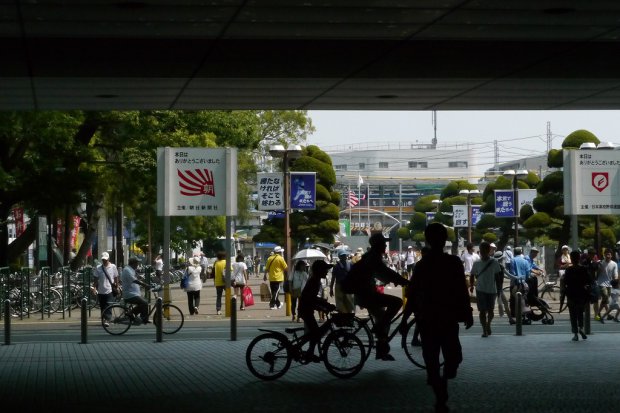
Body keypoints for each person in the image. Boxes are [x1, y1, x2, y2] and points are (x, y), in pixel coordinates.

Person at [402, 223, 473, 413]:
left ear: (427, 240)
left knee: (432, 359)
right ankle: (442, 388)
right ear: (444, 239)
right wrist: (467, 311)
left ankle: (439, 389)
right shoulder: (453, 263)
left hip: (429, 318)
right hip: (446, 316)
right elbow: (462, 290)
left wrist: (404, 319)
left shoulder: (422, 266)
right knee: (453, 355)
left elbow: (413, 294)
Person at [350, 232, 409, 361]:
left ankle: (381, 349)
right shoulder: (373, 258)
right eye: (383, 243)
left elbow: (383, 275)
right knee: (397, 302)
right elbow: (385, 273)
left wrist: (396, 280)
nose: (385, 246)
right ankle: (379, 328)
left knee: (382, 317)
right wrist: (404, 281)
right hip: (367, 295)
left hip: (366, 294)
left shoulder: (370, 256)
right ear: (378, 245)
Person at [298, 260, 336, 362]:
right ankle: (308, 352)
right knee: (315, 333)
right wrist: (326, 305)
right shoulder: (314, 281)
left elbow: (313, 299)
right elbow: (312, 299)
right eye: (325, 270)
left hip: (306, 309)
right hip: (305, 310)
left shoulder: (315, 280)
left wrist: (324, 305)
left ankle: (310, 352)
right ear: (319, 270)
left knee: (313, 333)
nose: (327, 272)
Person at [469, 241, 502, 337]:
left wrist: (499, 289)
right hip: (480, 290)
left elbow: (497, 277)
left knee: (491, 311)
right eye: (481, 249)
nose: (483, 251)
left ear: (488, 250)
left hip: (492, 290)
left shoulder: (494, 262)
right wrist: (471, 286)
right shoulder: (477, 263)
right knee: (482, 311)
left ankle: (488, 324)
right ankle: (484, 329)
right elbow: (472, 275)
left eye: (485, 249)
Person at [563, 251, 590, 341]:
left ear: (571, 258)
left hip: (571, 293)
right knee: (580, 313)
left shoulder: (568, 270)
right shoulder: (583, 269)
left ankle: (575, 334)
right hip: (581, 293)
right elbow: (588, 280)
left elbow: (565, 282)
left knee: (573, 315)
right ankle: (581, 328)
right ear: (579, 258)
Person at [121, 256, 151, 325]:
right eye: (137, 263)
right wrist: (144, 285)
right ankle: (131, 313)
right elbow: (134, 280)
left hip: (134, 293)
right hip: (129, 294)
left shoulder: (131, 270)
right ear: (133, 263)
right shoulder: (127, 270)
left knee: (144, 303)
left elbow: (137, 278)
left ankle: (144, 319)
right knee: (144, 303)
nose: (138, 265)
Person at [94, 252, 120, 327]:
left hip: (110, 289)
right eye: (103, 259)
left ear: (108, 259)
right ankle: (104, 319)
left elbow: (116, 277)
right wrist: (94, 287)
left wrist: (117, 287)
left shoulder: (113, 267)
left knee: (108, 305)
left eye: (105, 259)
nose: (104, 261)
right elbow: (95, 278)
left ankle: (107, 319)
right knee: (102, 306)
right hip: (101, 290)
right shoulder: (98, 267)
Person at [595, 248, 619, 323]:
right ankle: (599, 314)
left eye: (609, 254)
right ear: (604, 255)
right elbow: (596, 274)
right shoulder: (601, 263)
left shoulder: (614, 264)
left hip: (610, 284)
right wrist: (598, 270)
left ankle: (598, 313)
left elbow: (615, 275)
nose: (607, 256)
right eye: (606, 254)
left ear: (611, 255)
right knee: (605, 296)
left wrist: (615, 281)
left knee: (605, 300)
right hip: (601, 283)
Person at [509, 247, 531, 324]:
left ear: (514, 253)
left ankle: (514, 317)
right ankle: (524, 315)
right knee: (524, 299)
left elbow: (512, 272)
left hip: (515, 283)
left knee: (513, 300)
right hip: (524, 283)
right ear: (521, 252)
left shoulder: (512, 260)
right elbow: (528, 273)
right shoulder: (525, 261)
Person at [329, 249, 355, 314]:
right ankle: (343, 315)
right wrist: (331, 288)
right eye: (342, 256)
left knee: (350, 302)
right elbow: (333, 278)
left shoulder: (350, 264)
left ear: (346, 256)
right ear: (339, 257)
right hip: (339, 286)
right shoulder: (336, 266)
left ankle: (349, 316)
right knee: (340, 302)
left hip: (348, 286)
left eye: (344, 255)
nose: (343, 257)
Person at [263, 246, 288, 310]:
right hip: (278, 278)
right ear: (279, 252)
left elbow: (266, 268)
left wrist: (265, 275)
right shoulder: (280, 258)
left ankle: (278, 304)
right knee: (276, 292)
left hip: (271, 278)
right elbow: (285, 268)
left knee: (273, 291)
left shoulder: (269, 258)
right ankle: (272, 305)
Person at [213, 251, 228, 315]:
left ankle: (218, 309)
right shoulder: (226, 262)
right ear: (224, 256)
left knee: (219, 296)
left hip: (218, 282)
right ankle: (229, 308)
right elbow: (231, 271)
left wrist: (214, 281)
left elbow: (213, 273)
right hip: (226, 282)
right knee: (228, 295)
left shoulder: (215, 263)